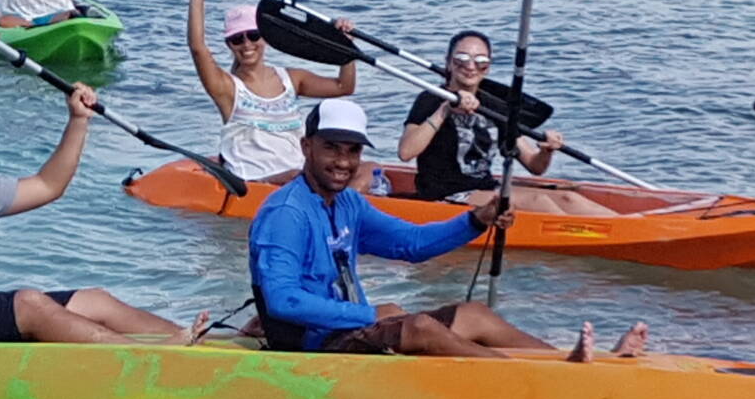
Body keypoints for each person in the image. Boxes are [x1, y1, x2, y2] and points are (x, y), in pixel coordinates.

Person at [0, 0, 209, 345]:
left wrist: (78, 120)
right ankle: (152, 358)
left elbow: (49, 185)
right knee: (28, 302)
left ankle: (205, 342)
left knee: (95, 301)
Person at [249, 98, 648, 359]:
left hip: (351, 329)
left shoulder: (349, 203)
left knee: (473, 314)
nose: (343, 161)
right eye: (331, 148)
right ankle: (541, 380)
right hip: (312, 348)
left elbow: (412, 244)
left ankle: (567, 360)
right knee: (419, 326)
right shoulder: (286, 213)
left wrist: (476, 220)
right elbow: (283, 301)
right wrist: (368, 314)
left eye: (352, 151)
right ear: (306, 148)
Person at [186, 0, 368, 185]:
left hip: (301, 177)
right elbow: (198, 48)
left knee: (370, 168)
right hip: (258, 181)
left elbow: (344, 87)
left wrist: (344, 46)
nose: (246, 44)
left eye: (253, 35)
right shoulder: (227, 88)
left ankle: (344, 209)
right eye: (236, 39)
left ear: (266, 38)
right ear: (229, 45)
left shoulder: (292, 79)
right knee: (298, 176)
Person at [396, 30, 612, 215]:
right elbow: (406, 152)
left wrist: (546, 150)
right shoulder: (432, 99)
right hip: (444, 196)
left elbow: (535, 166)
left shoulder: (494, 106)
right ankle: (580, 239)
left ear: (487, 67)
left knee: (567, 198)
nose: (471, 66)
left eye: (481, 61)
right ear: (449, 63)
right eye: (462, 58)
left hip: (486, 189)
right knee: (538, 203)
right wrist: (445, 111)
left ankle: (630, 227)